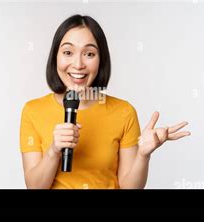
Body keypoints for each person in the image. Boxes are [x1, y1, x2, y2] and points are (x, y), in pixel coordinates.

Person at [19, 14, 191, 189]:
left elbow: (130, 187)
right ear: (55, 56)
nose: (78, 64)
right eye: (68, 52)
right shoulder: (33, 111)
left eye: (89, 54)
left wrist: (143, 155)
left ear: (101, 60)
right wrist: (54, 150)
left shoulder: (124, 112)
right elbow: (34, 186)